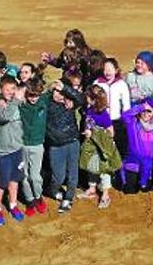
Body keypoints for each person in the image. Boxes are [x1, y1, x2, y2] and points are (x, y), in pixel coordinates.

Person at [0, 76, 25, 225]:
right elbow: (4, 118)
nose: (11, 92)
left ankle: (13, 204)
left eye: (13, 89)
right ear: (0, 89)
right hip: (2, 151)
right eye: (7, 89)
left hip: (17, 148)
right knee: (1, 182)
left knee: (14, 179)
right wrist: (16, 101)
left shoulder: (18, 103)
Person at [46, 79, 84, 213]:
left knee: (73, 173)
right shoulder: (47, 104)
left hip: (72, 141)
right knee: (58, 176)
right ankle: (53, 190)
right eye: (56, 91)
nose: (58, 94)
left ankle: (68, 198)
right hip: (56, 145)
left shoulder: (70, 103)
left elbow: (81, 99)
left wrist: (66, 89)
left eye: (61, 92)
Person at [78, 85, 119, 209]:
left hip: (102, 147)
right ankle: (91, 189)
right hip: (91, 145)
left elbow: (111, 132)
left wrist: (94, 133)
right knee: (92, 166)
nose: (86, 99)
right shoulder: (90, 110)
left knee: (103, 170)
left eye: (88, 97)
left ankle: (105, 195)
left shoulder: (103, 115)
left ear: (94, 99)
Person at [18, 79, 48, 216]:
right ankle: (29, 201)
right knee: (24, 176)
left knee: (35, 176)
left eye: (36, 95)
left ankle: (38, 197)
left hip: (37, 145)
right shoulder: (20, 105)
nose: (33, 98)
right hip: (22, 144)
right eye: (30, 95)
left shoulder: (44, 101)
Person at [93, 57, 131, 157]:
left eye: (110, 69)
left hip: (117, 122)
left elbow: (126, 104)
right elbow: (92, 102)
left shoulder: (121, 84)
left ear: (116, 70)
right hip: (101, 121)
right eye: (105, 69)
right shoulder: (97, 83)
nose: (107, 72)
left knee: (118, 150)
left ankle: (118, 171)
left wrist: (125, 120)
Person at [120, 98, 153, 194]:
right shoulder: (132, 123)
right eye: (143, 111)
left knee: (146, 190)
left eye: (149, 111)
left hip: (148, 167)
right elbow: (125, 115)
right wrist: (141, 106)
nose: (145, 113)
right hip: (133, 164)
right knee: (130, 191)